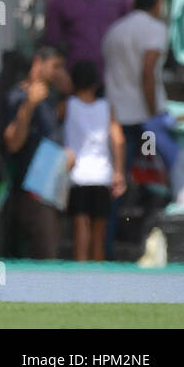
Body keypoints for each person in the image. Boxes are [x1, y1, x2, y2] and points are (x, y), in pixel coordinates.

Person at [2, 45, 69, 259]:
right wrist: (29, 105)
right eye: (55, 66)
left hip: (54, 187)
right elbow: (13, 142)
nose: (59, 72)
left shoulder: (51, 98)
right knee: (44, 254)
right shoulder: (20, 96)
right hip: (34, 191)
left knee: (52, 246)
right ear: (38, 63)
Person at [63, 60, 126, 262]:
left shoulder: (67, 105)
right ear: (95, 83)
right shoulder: (106, 107)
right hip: (102, 175)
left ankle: (79, 275)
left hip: (77, 175)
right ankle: (97, 280)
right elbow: (119, 139)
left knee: (81, 229)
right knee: (99, 234)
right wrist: (119, 172)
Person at [101, 0, 168, 171]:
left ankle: (119, 201)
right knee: (150, 169)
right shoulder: (155, 29)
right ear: (157, 5)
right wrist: (154, 114)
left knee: (119, 169)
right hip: (147, 117)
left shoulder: (114, 30)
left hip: (117, 114)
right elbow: (148, 72)